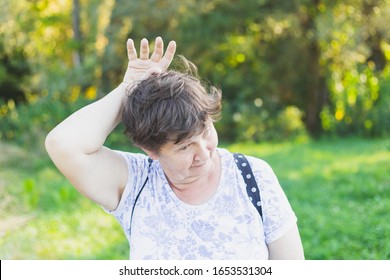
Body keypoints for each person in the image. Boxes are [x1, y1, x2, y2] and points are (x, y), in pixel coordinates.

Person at [45, 36, 305, 260]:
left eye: (205, 132)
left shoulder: (253, 176)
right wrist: (127, 90)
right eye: (184, 148)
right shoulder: (135, 183)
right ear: (151, 149)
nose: (204, 153)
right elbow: (63, 144)